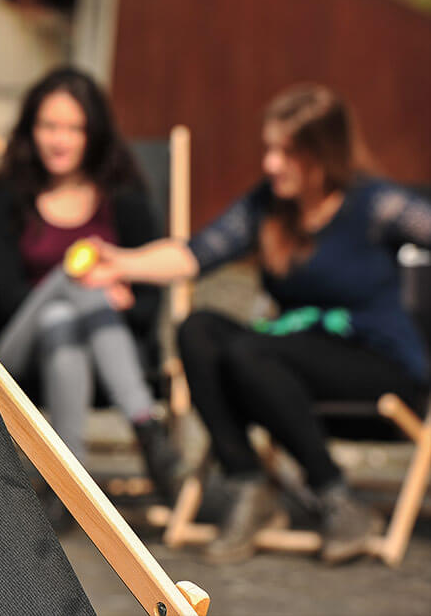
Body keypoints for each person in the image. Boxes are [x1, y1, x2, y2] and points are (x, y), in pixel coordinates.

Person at [83, 83, 431, 564]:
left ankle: (336, 495)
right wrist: (120, 263)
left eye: (287, 152)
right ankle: (250, 484)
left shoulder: (376, 205)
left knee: (251, 350)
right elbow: (191, 255)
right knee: (198, 328)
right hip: (285, 366)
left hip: (376, 367)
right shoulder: (269, 206)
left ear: (323, 153)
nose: (270, 164)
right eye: (269, 149)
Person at [0, 66, 184, 502]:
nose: (60, 140)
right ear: (30, 130)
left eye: (74, 128)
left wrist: (119, 300)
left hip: (106, 345)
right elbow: (10, 296)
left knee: (64, 319)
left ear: (94, 134)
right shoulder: (7, 196)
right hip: (19, 350)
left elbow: (149, 307)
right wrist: (89, 284)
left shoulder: (125, 199)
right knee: (74, 283)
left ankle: (65, 485)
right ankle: (146, 425)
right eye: (49, 126)